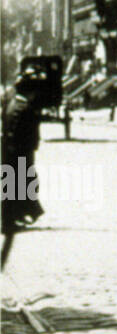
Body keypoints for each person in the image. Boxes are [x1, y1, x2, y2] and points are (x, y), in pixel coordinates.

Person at [3, 65, 48, 268]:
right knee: (20, 184)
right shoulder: (23, 108)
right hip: (20, 152)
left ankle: (19, 214)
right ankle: (14, 217)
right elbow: (27, 132)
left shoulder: (13, 105)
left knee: (17, 184)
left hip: (14, 152)